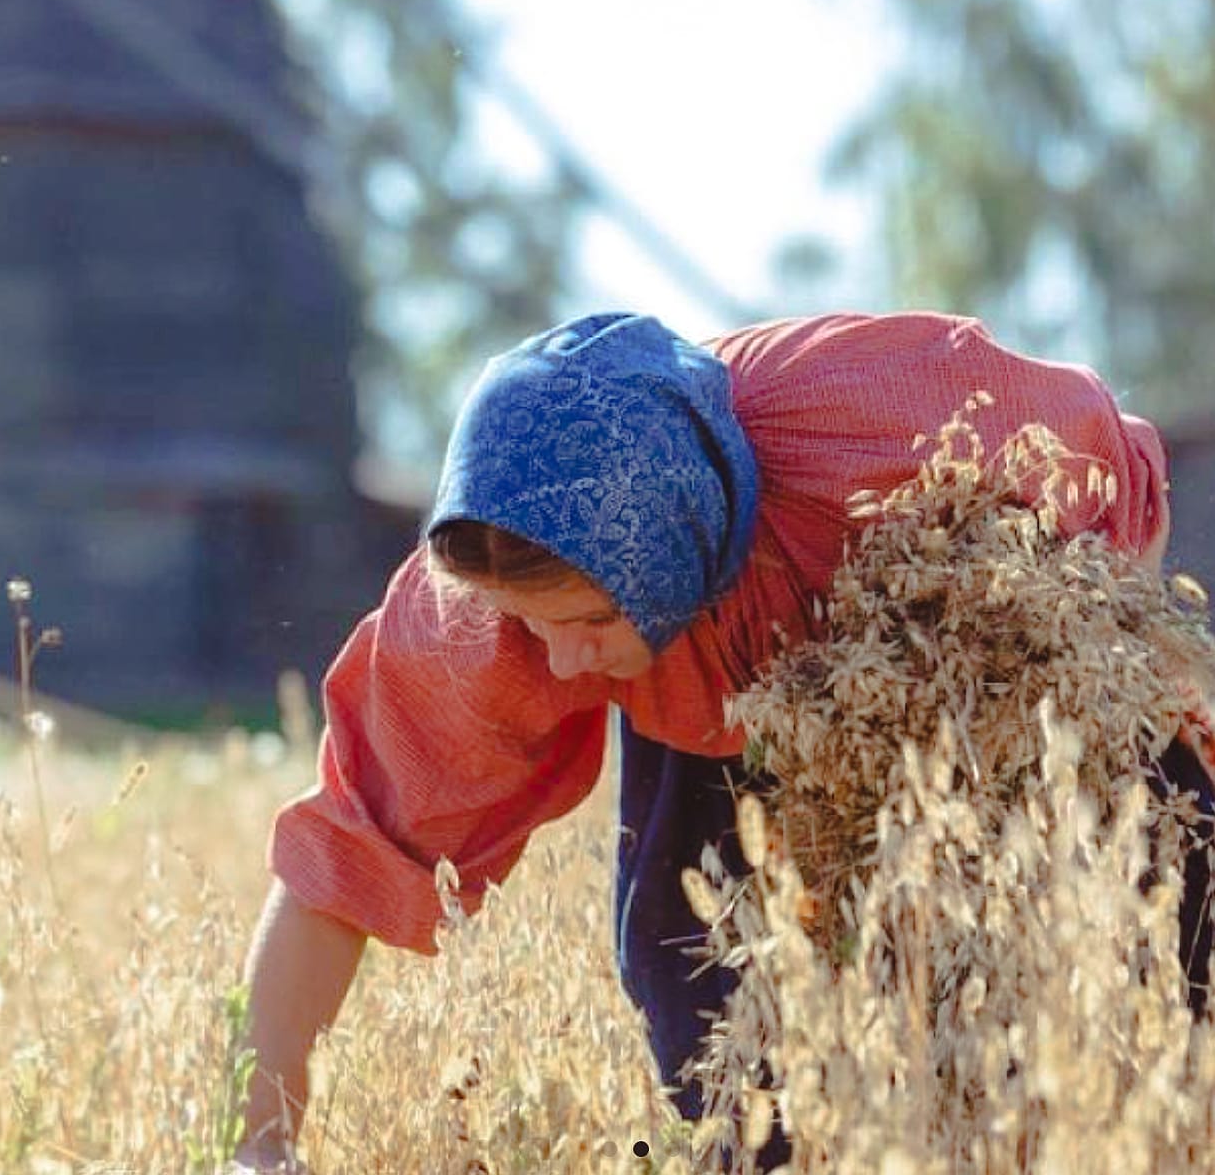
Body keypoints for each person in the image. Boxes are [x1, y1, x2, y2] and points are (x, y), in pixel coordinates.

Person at [229, 310, 1207, 1172]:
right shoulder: (486, 617)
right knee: (701, 1001)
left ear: (677, 544)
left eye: (583, 621)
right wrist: (256, 1148)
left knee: (1164, 947)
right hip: (708, 723)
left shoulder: (905, 426)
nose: (561, 666)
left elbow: (1111, 481)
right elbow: (343, 860)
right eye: (533, 627)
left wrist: (1033, 713)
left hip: (973, 668)